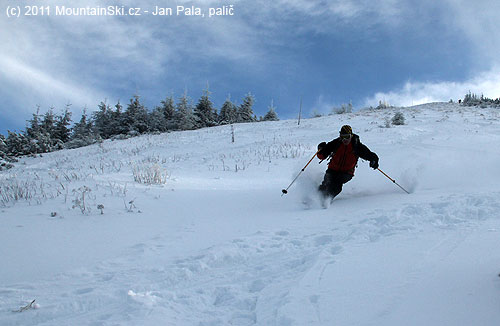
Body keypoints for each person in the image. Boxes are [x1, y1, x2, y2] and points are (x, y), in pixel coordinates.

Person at [317, 125, 379, 201]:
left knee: (336, 184)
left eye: (347, 136)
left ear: (351, 135)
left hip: (347, 172)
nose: (345, 139)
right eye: (342, 137)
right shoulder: (336, 143)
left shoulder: (356, 146)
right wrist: (321, 150)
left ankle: (326, 199)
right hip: (332, 169)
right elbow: (322, 156)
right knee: (326, 183)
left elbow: (370, 155)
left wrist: (374, 161)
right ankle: (315, 197)